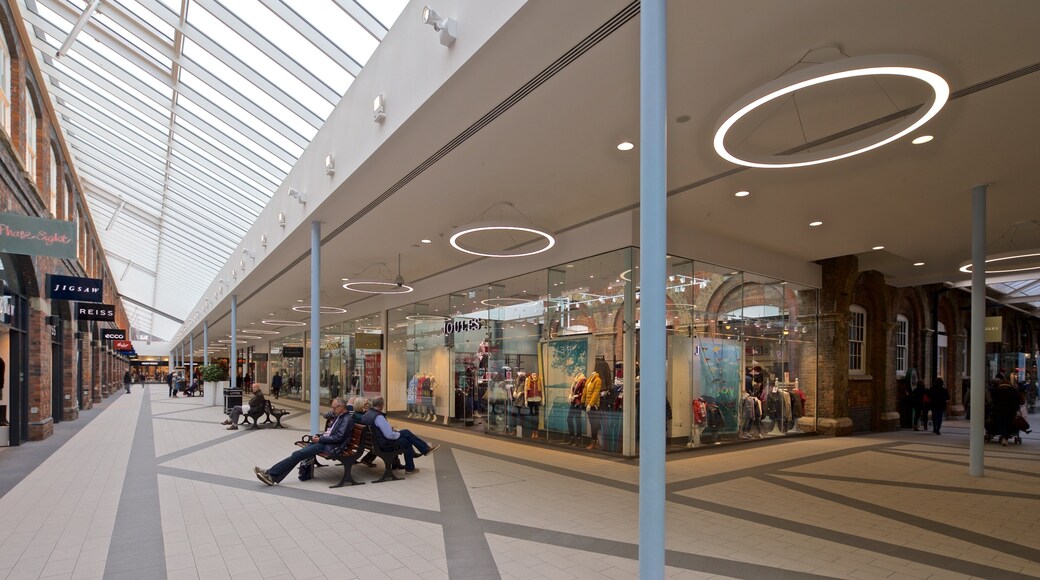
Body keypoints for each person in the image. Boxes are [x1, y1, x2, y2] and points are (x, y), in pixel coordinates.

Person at [255, 397, 353, 485]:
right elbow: (330, 431)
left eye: (334, 408)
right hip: (324, 442)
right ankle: (272, 476)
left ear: (341, 407)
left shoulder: (346, 419)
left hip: (329, 446)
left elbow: (338, 437)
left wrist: (320, 439)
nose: (333, 410)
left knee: (297, 455)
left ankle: (270, 473)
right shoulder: (339, 416)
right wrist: (320, 437)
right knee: (297, 455)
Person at [361, 396, 438, 474]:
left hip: (374, 442)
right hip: (384, 444)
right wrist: (397, 433)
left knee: (406, 434)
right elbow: (389, 436)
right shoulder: (379, 417)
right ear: (382, 405)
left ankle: (422, 452)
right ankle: (413, 465)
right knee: (406, 439)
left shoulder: (366, 415)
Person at [990, 379, 1022, 446]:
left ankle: (1002, 435)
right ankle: (1005, 437)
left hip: (998, 410)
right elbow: (1019, 400)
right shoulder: (1013, 391)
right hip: (1010, 411)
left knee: (1000, 422)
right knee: (1008, 423)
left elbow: (992, 401)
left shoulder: (996, 390)